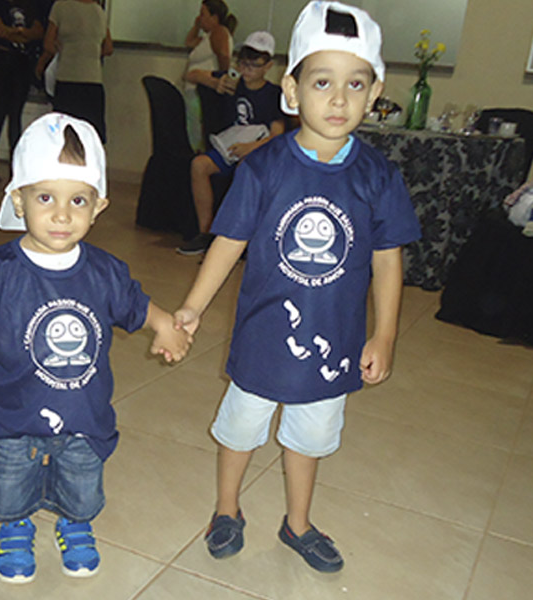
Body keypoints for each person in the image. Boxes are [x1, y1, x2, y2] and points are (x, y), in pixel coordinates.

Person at [167, 1, 421, 572]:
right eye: (322, 82)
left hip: (334, 342)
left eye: (356, 84)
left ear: (375, 93)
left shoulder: (379, 177)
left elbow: (387, 262)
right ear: (291, 89)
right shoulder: (263, 168)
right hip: (263, 337)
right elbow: (228, 242)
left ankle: (297, 523)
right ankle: (226, 510)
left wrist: (384, 335)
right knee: (240, 430)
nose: (339, 99)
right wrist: (192, 307)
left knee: (310, 439)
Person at [0, 112, 191, 582]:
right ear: (18, 199)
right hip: (11, 410)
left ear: (98, 207)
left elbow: (135, 305)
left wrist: (163, 325)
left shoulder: (105, 271)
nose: (61, 214)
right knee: (9, 476)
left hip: (82, 413)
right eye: (45, 197)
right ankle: (16, 524)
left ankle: (75, 522)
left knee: (81, 476)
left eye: (78, 200)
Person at [177, 31, 286, 255]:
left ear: (267, 66)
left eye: (253, 65)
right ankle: (205, 232)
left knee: (246, 168)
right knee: (199, 165)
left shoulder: (273, 95)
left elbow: (277, 135)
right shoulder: (232, 81)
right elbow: (191, 74)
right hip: (228, 146)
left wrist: (250, 148)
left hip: (256, 150)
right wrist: (215, 82)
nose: (246, 70)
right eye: (243, 64)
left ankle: (239, 237)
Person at [0, 0, 45, 182]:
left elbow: (38, 32)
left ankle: (15, 165)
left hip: (22, 62)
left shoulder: (30, 5)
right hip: (1, 60)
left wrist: (16, 33)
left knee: (16, 115)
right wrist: (23, 34)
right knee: (0, 111)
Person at [37, 0, 113, 143]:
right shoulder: (99, 11)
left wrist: (61, 51)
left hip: (67, 78)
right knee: (91, 136)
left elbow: (48, 44)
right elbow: (108, 48)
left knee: (64, 135)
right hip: (93, 81)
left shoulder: (60, 6)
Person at [183, 0, 237, 151]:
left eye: (203, 14)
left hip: (204, 90)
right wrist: (197, 25)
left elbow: (224, 55)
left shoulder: (219, 32)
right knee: (192, 131)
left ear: (214, 17)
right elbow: (189, 42)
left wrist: (219, 77)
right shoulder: (207, 37)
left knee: (197, 134)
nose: (200, 18)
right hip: (195, 90)